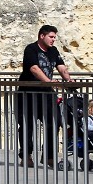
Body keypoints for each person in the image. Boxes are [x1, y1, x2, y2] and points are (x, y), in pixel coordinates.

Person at [18, 24, 72, 167]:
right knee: (26, 124)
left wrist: (69, 80)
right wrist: (48, 81)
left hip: (46, 93)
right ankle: (26, 156)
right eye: (51, 37)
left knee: (53, 123)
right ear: (42, 36)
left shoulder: (53, 50)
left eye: (55, 37)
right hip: (28, 92)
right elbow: (34, 68)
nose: (53, 40)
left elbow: (61, 67)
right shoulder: (31, 49)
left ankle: (48, 156)